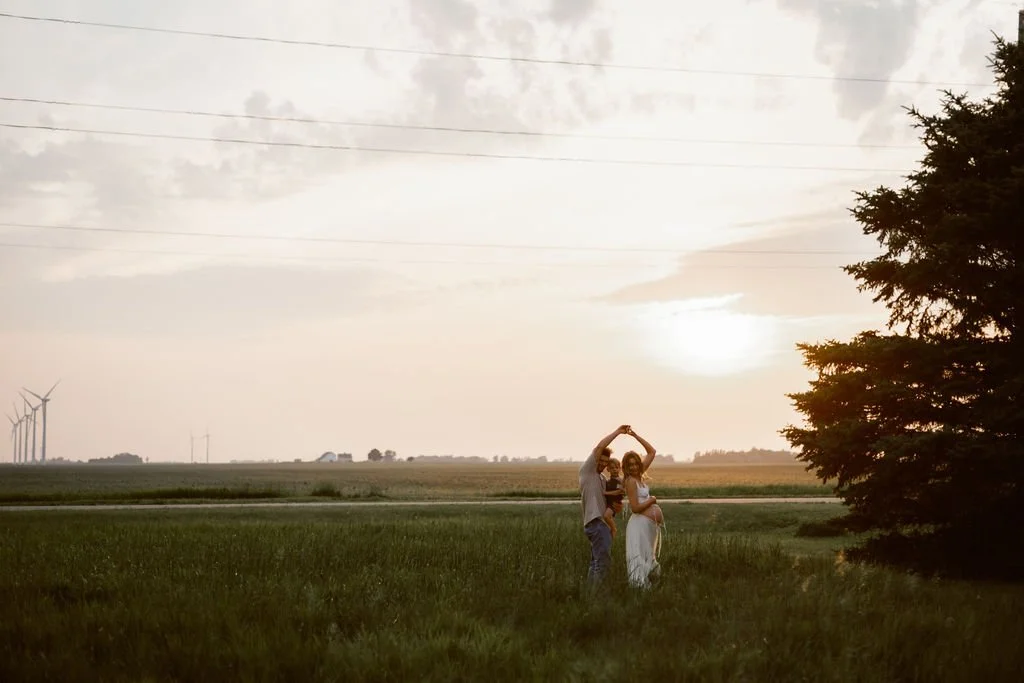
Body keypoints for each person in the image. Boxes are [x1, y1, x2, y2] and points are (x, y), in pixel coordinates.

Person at [579, 425, 629, 583]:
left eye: (605, 462)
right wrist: (617, 432)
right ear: (595, 459)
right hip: (596, 524)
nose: (602, 464)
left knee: (595, 564)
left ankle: (590, 596)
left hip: (601, 524)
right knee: (603, 564)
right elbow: (600, 447)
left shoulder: (601, 479)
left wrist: (617, 507)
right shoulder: (587, 471)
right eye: (600, 460)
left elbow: (608, 501)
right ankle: (598, 597)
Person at [622, 427, 663, 589]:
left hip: (648, 526)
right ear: (625, 466)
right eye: (629, 465)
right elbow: (635, 507)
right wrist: (652, 500)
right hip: (638, 525)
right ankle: (639, 590)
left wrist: (635, 436)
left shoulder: (639, 475)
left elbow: (652, 452)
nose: (633, 467)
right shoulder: (631, 481)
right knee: (639, 556)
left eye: (635, 463)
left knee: (648, 556)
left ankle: (649, 586)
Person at [602, 457, 624, 537]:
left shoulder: (620, 480)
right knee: (607, 517)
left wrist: (606, 493)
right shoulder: (608, 481)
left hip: (615, 502)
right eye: (612, 468)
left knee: (606, 516)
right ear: (608, 469)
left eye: (616, 468)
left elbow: (619, 492)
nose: (614, 470)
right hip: (609, 502)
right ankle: (610, 530)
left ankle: (614, 528)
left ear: (620, 468)